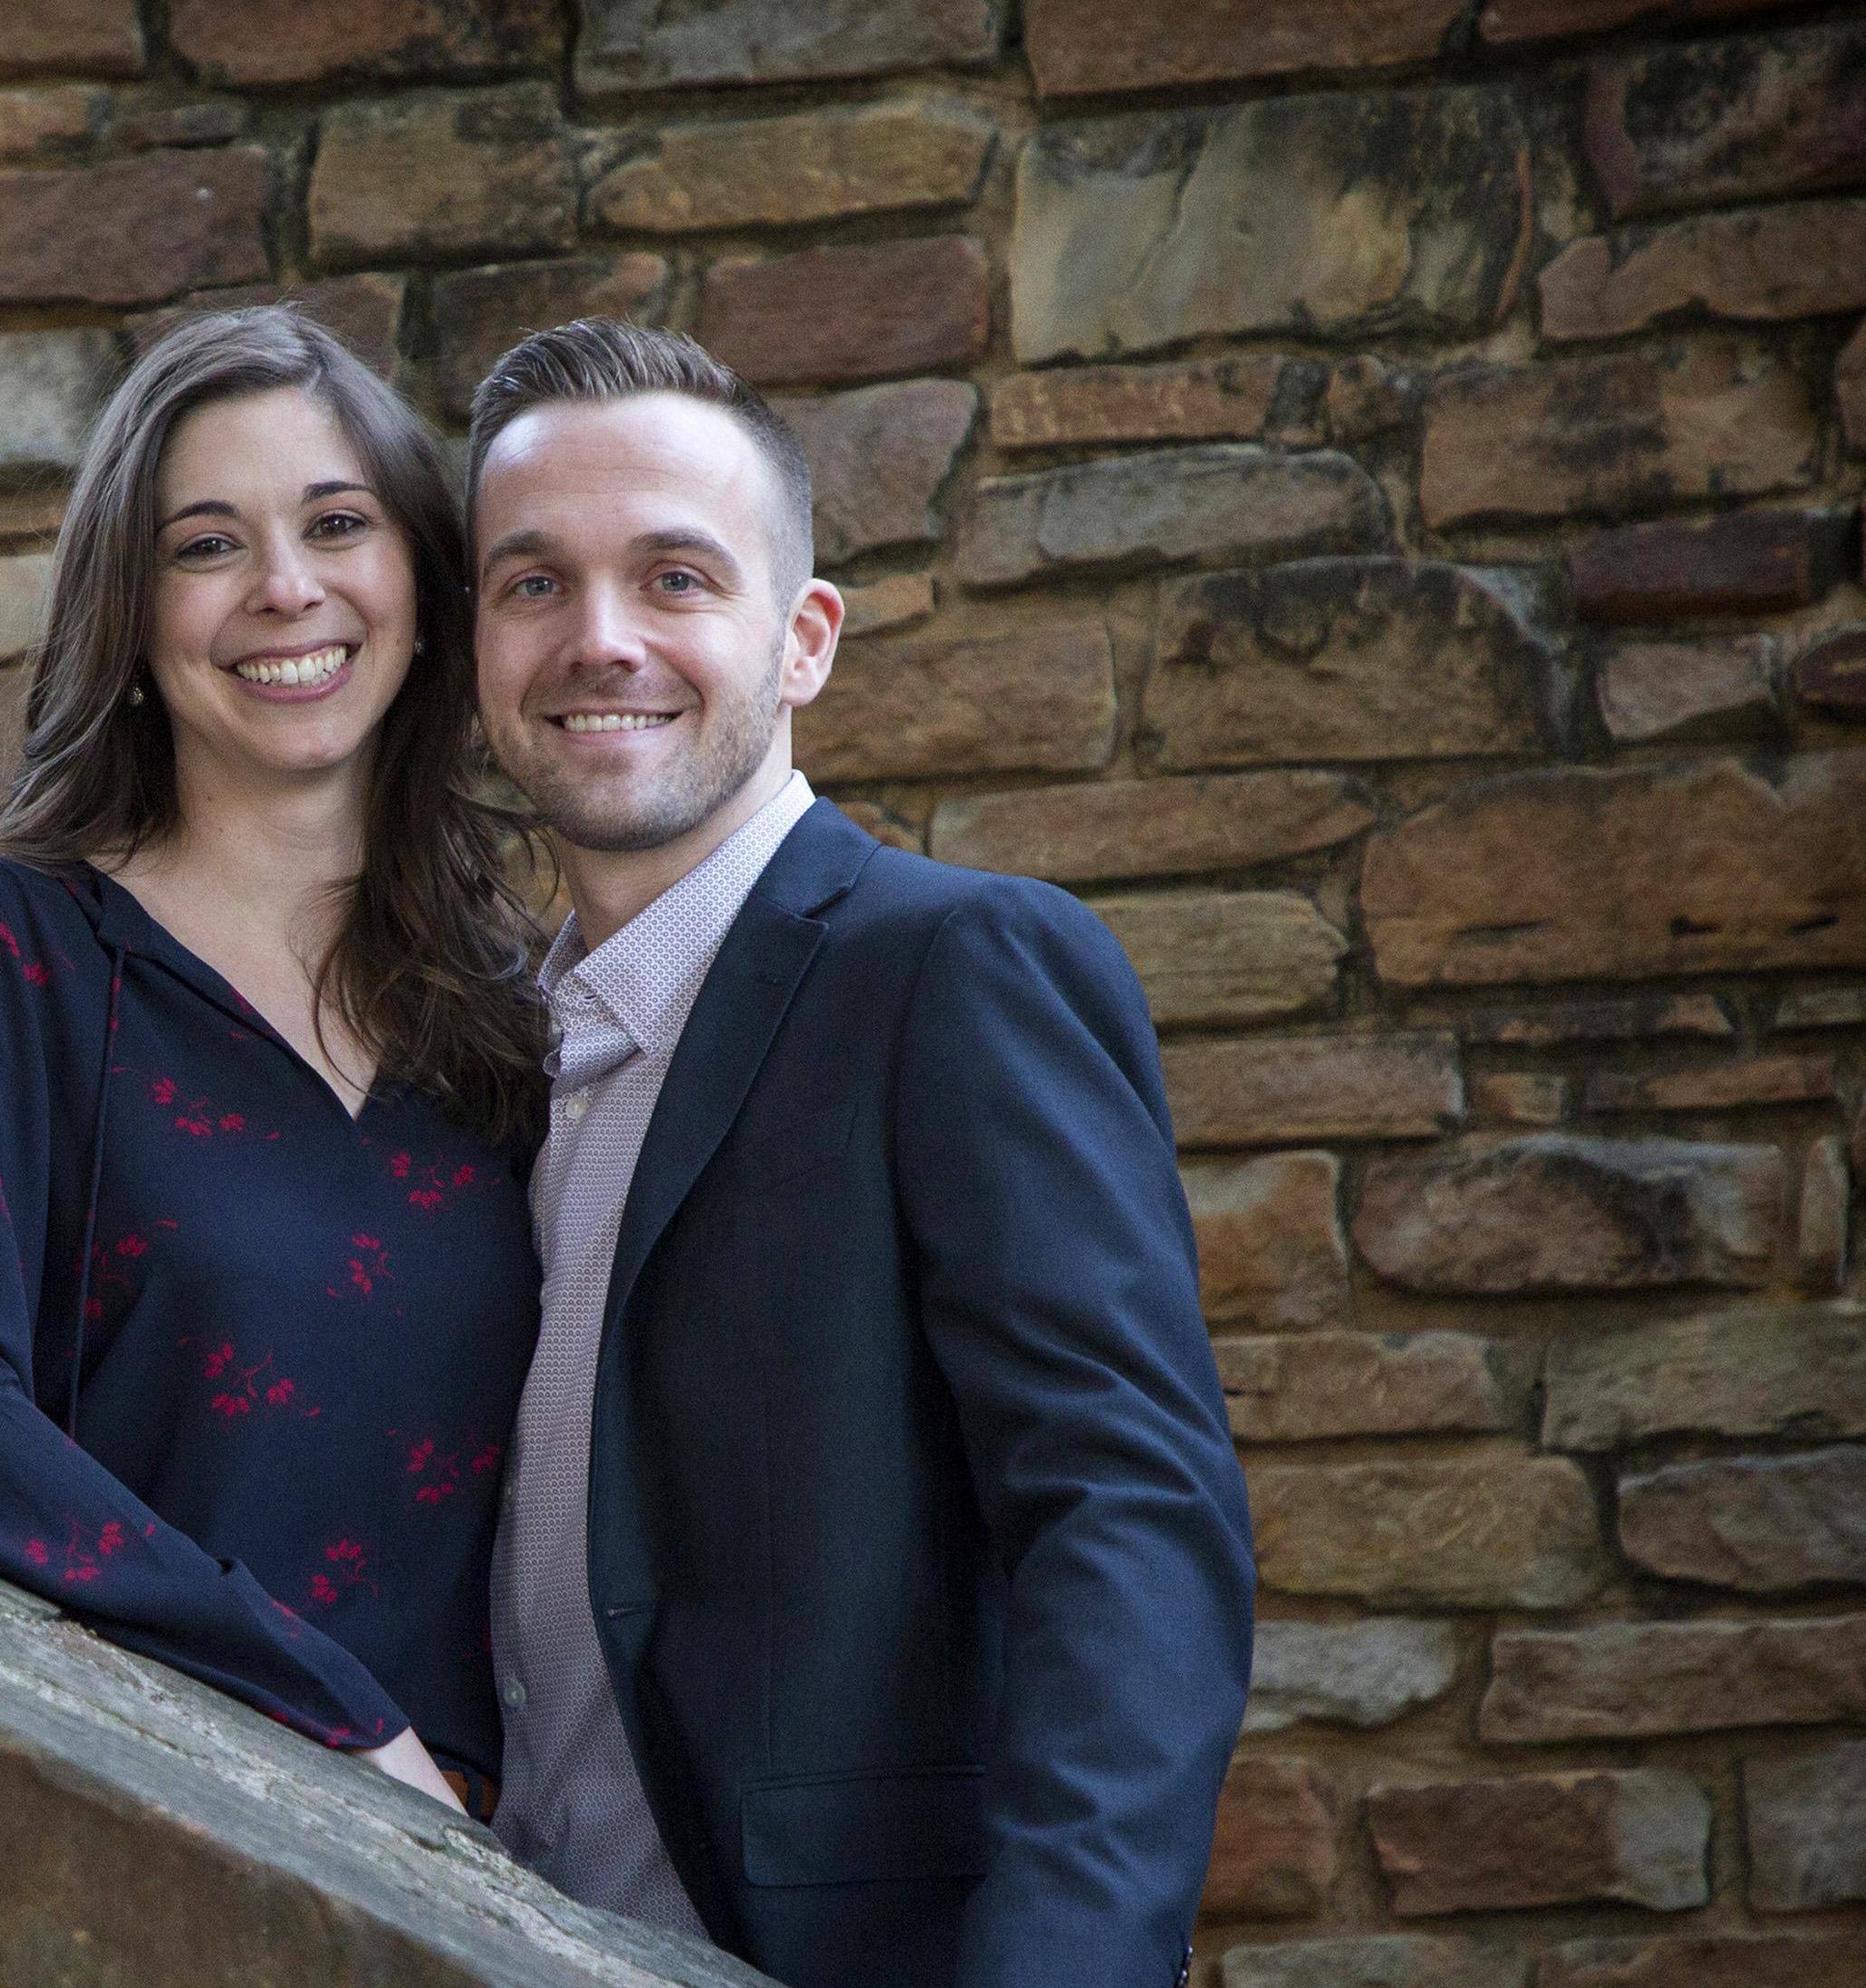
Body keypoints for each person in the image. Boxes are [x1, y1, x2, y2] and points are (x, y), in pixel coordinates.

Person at [461, 317, 1254, 1988]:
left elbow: (1127, 1523)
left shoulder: (952, 967)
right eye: (534, 583)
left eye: (676, 577)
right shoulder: (483, 1059)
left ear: (803, 639)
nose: (600, 638)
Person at [0, 307, 552, 1816]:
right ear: (131, 618)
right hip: (154, 1824)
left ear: (421, 582)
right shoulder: (4, 935)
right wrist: (322, 1711)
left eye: (337, 524)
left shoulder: (520, 1009)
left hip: (502, 1865)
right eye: (207, 545)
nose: (286, 587)